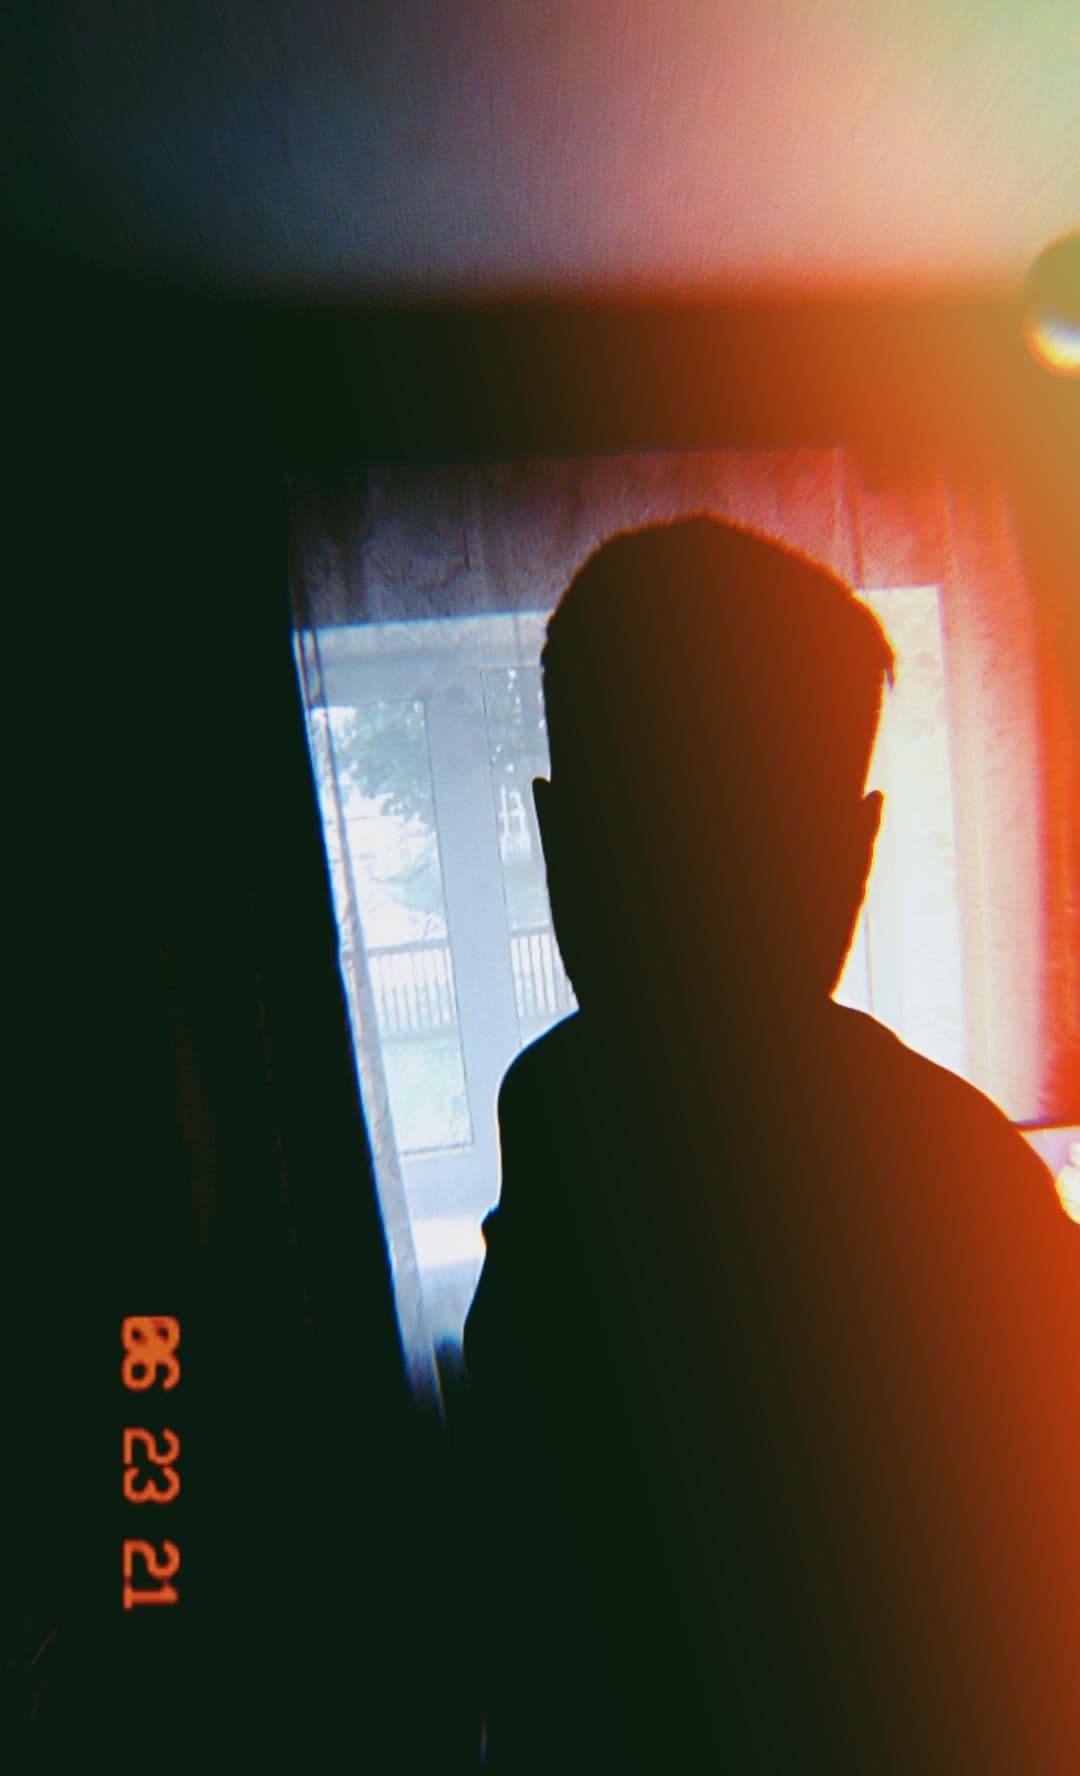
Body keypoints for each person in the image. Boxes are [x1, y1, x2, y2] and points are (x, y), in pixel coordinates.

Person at [461, 519, 1079, 1773]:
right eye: (664, 843)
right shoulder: (562, 1114)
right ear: (855, 852)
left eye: (746, 848)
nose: (699, 909)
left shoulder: (563, 1106)